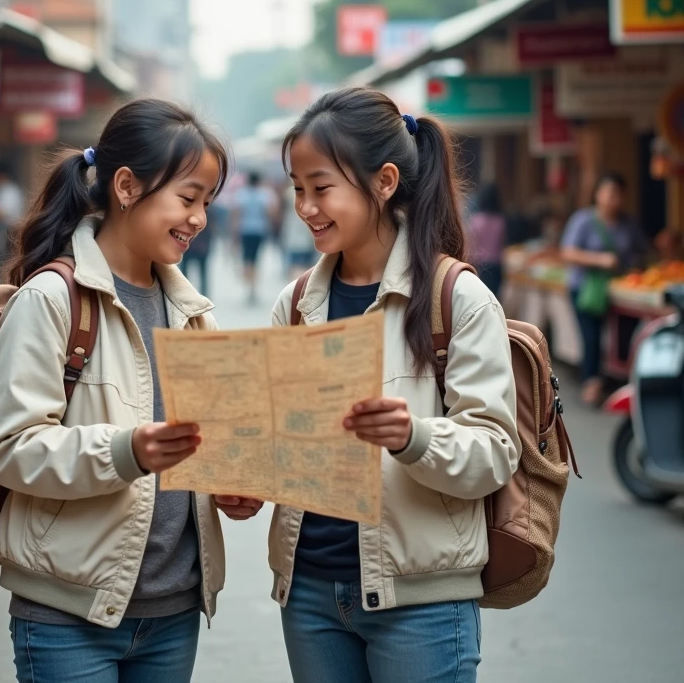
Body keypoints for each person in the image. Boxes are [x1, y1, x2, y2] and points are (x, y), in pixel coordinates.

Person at [219, 88, 520, 683]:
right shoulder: (299, 302)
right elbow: (283, 437)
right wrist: (248, 483)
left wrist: (413, 437)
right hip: (308, 593)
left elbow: (494, 453)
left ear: (384, 182)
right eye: (297, 187)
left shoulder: (456, 298)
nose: (305, 206)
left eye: (321, 187)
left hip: (422, 601)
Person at [0, 99, 255, 683]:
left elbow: (191, 449)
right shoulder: (51, 300)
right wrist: (126, 451)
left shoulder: (191, 312)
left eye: (207, 201)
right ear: (126, 186)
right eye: (187, 198)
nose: (200, 218)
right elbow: (9, 448)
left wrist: (227, 488)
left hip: (174, 609)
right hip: (66, 612)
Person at [560, 174, 649, 406]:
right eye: (609, 193)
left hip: (620, 291)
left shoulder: (627, 223)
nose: (613, 199)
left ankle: (620, 379)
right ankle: (592, 383)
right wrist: (599, 260)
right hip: (586, 288)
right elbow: (567, 252)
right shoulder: (583, 220)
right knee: (591, 337)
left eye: (618, 194)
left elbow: (642, 250)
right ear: (598, 194)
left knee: (625, 335)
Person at [232, 171, 279, 304]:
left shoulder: (241, 194)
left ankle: (249, 285)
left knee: (247, 259)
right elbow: (271, 213)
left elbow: (236, 214)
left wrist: (234, 234)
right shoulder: (265, 194)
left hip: (245, 230)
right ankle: (253, 286)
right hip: (260, 230)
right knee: (256, 259)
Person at [0, 159, 27, 268]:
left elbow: (0, 213)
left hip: (7, 231)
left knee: (4, 260)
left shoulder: (9, 190)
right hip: (1, 230)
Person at [468, 183, 507, 296]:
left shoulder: (476, 221)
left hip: (480, 266)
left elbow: (471, 245)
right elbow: (501, 244)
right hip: (496, 266)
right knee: (495, 298)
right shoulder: (500, 221)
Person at [280, 181, 318, 278]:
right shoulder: (312, 192)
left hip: (295, 235)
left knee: (297, 265)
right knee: (307, 266)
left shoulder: (290, 192)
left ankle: (297, 288)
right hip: (308, 234)